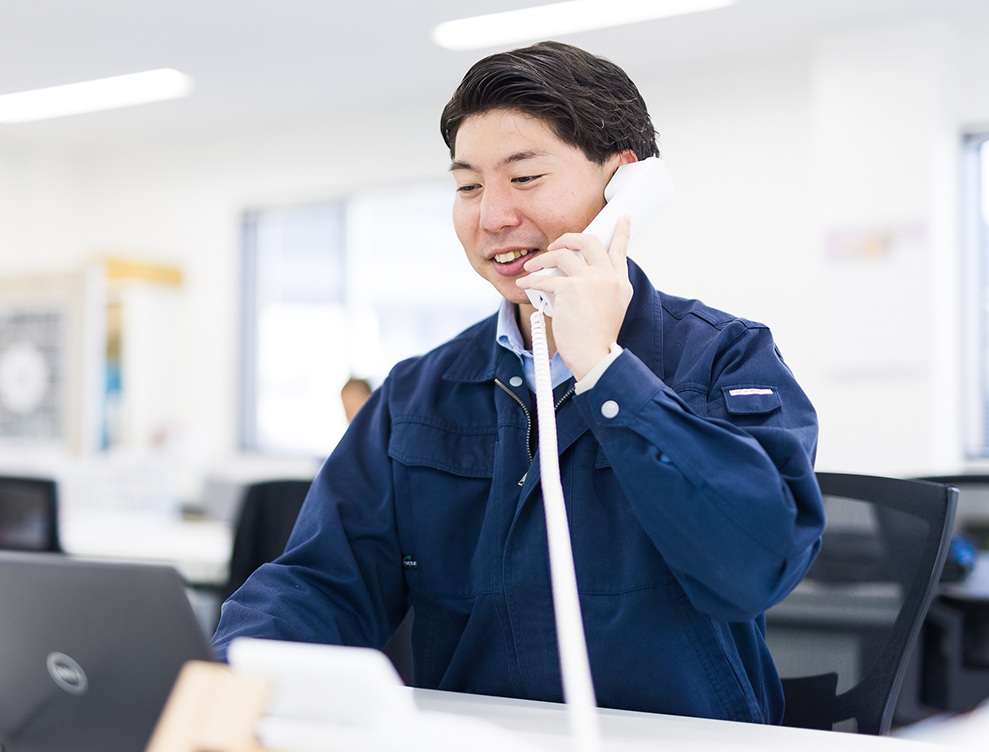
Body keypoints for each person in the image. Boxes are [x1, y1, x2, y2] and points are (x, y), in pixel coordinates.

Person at [214, 41, 825, 724]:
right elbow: (322, 584)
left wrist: (604, 368)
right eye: (469, 186)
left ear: (623, 186)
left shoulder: (723, 358)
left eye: (524, 178)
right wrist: (231, 680)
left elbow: (754, 565)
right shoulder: (419, 394)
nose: (491, 216)